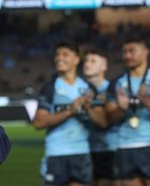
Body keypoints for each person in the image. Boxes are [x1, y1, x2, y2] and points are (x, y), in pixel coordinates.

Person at [33, 42, 107, 186]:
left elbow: (103, 121)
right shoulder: (49, 88)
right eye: (57, 55)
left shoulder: (88, 88)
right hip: (56, 154)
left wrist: (87, 108)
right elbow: (38, 122)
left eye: (65, 54)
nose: (59, 58)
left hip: (81, 153)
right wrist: (71, 110)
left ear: (76, 59)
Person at [106, 36, 150, 186]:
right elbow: (109, 120)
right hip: (125, 147)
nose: (127, 55)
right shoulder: (117, 83)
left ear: (145, 52)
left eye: (132, 51)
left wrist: (149, 103)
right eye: (124, 51)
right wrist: (121, 108)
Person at [83, 49, 117, 186]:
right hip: (86, 150)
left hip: (109, 150)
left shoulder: (112, 90)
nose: (87, 64)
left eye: (93, 61)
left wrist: (87, 106)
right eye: (86, 61)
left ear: (104, 66)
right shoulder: (81, 90)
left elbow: (105, 122)